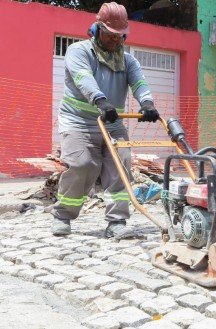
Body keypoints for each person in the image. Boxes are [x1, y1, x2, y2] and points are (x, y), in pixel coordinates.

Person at [51, 2, 160, 238]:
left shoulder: (128, 60)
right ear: (98, 28)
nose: (116, 41)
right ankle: (63, 215)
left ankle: (117, 222)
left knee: (122, 165)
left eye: (121, 36)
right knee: (82, 165)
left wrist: (147, 104)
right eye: (111, 35)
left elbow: (139, 83)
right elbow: (83, 78)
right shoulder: (79, 51)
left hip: (112, 122)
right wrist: (100, 100)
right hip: (78, 120)